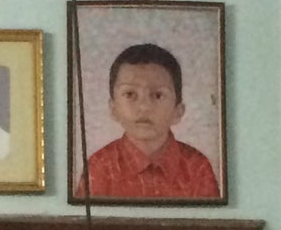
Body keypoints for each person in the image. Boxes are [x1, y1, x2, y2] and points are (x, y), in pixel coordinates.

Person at [76, 43, 220, 200]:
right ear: (113, 109)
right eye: (130, 94)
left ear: (178, 110)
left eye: (158, 95)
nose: (144, 107)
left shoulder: (197, 167)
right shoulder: (99, 167)